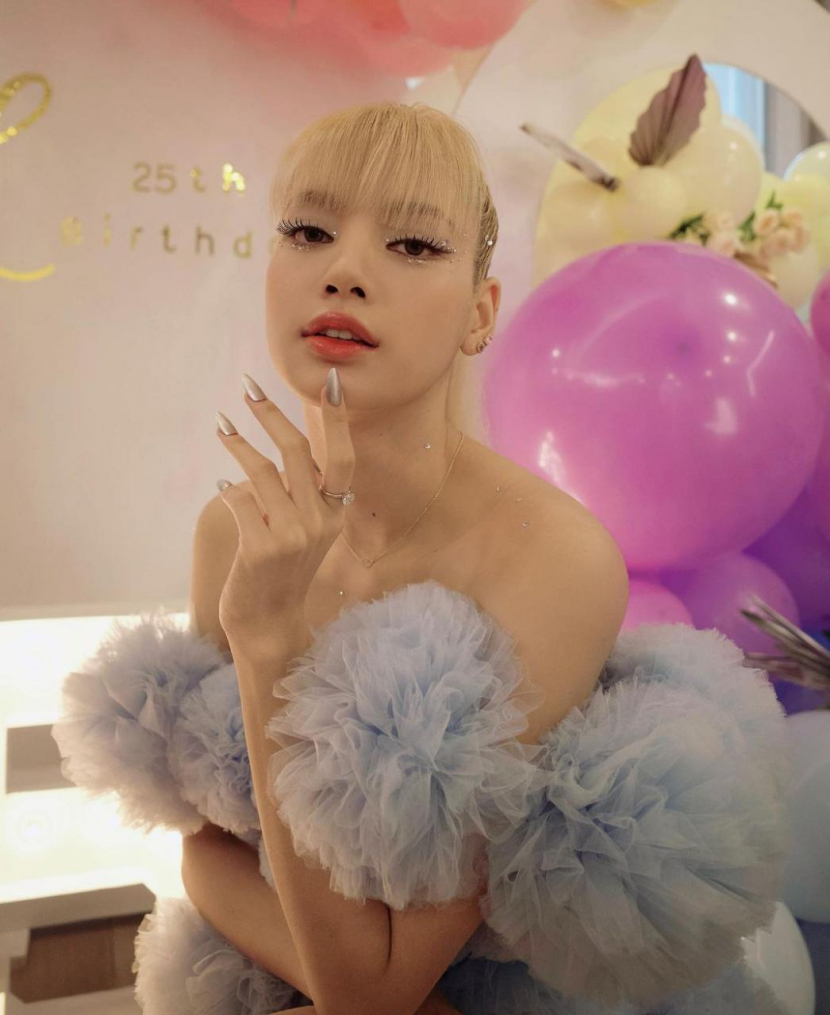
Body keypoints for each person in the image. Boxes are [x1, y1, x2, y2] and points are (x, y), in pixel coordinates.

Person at [184, 99, 628, 1012]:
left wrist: (270, 642)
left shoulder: (556, 561)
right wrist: (339, 985)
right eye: (308, 232)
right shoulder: (234, 532)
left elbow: (381, 988)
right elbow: (206, 849)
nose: (343, 271)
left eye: (414, 245)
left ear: (479, 312)